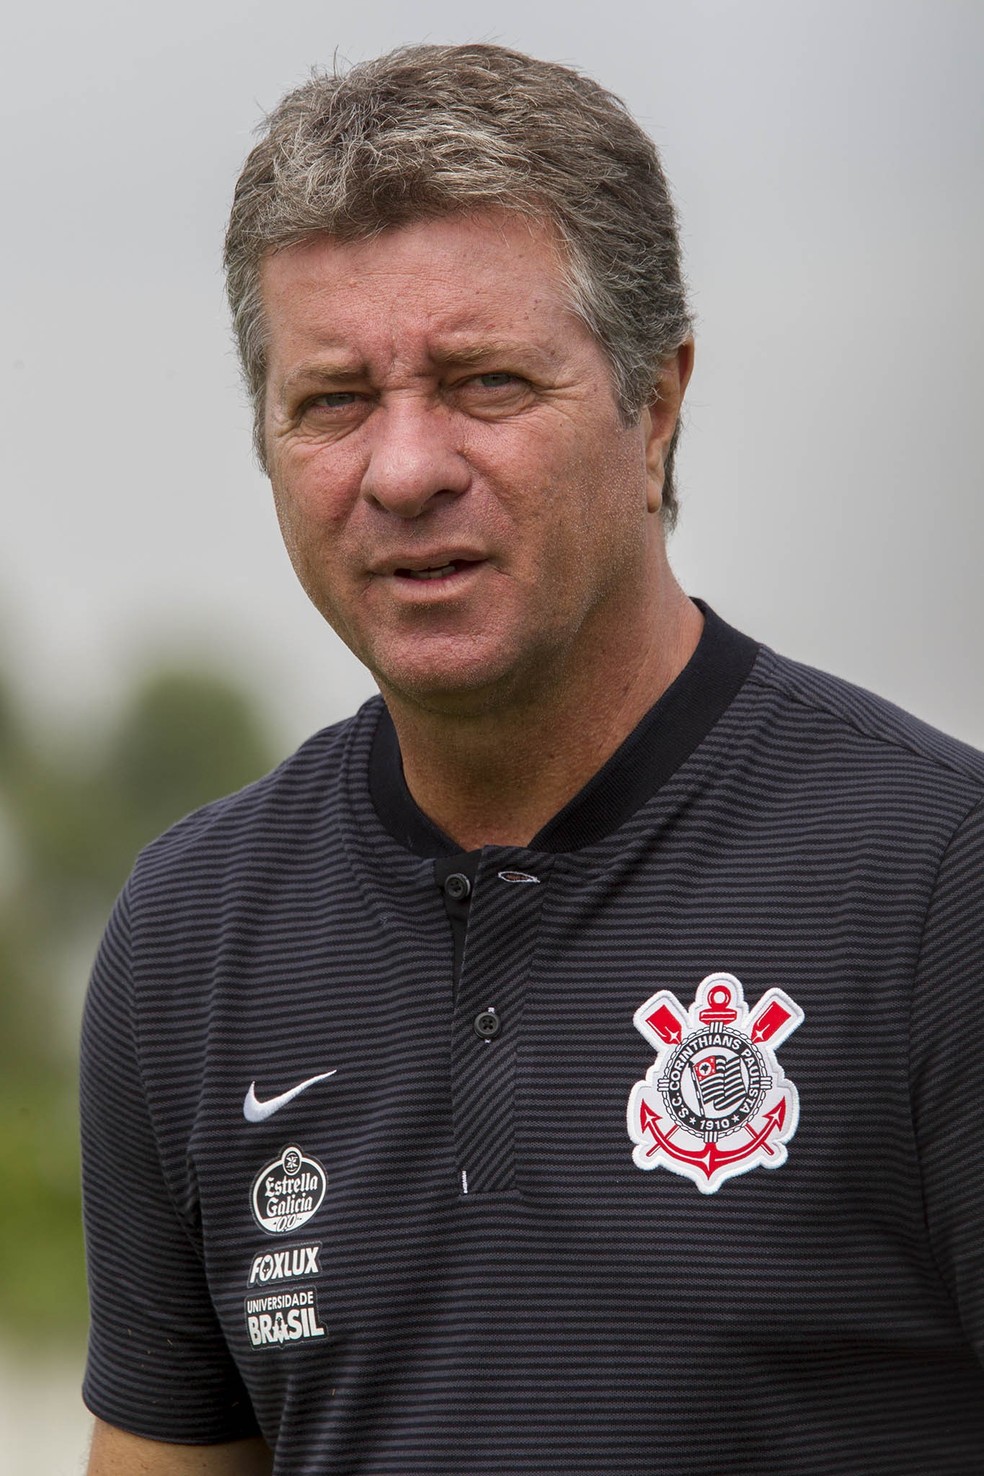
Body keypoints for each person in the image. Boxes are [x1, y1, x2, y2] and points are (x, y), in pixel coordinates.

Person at [80, 42, 984, 1476]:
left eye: (484, 381)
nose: (404, 468)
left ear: (658, 403)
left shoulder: (939, 887)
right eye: (333, 401)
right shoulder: (191, 941)